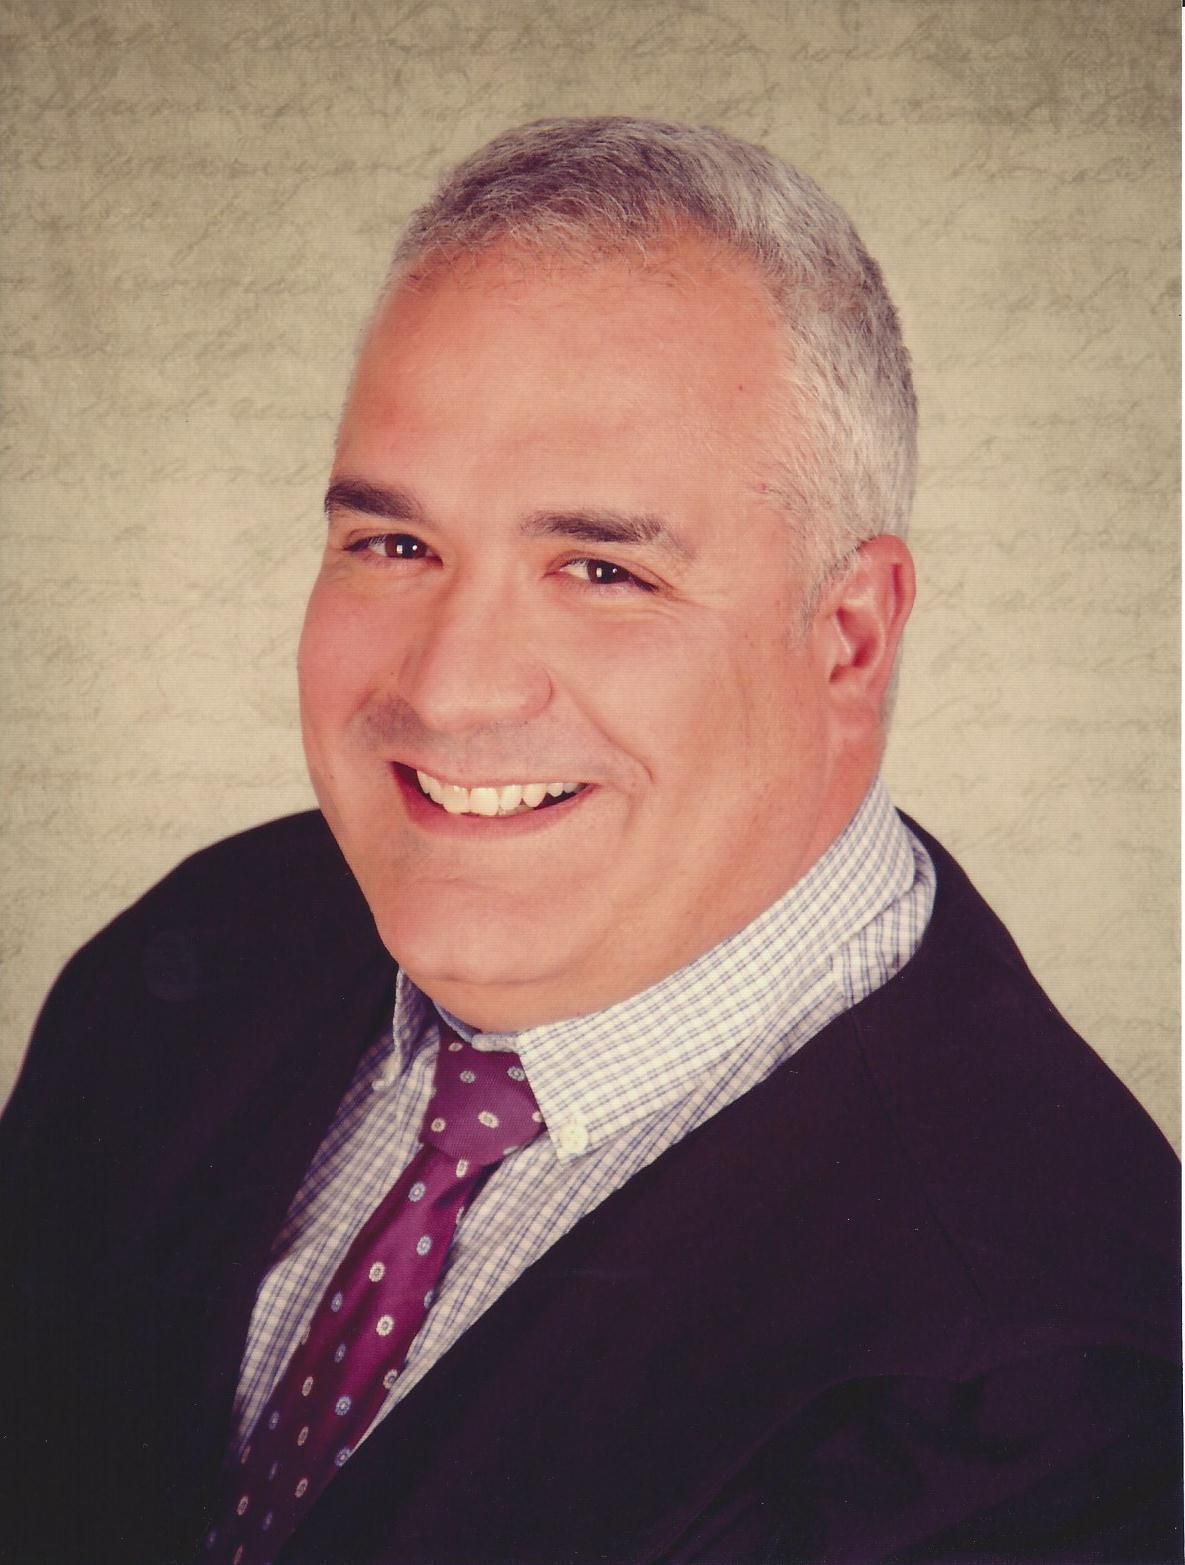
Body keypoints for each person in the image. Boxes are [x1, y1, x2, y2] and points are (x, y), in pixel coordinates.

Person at [1, 117, 1178, 1565]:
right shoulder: (187, 960)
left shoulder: (1059, 1401)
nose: (448, 689)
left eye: (601, 570)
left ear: (847, 638)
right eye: (394, 545)